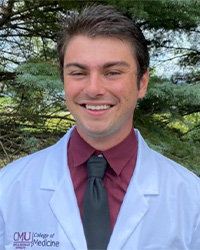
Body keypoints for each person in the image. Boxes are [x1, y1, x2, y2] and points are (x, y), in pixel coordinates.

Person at [0, 4, 200, 250]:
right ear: (64, 80)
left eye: (113, 72)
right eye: (78, 73)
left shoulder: (191, 198)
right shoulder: (8, 189)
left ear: (142, 83)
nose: (94, 89)